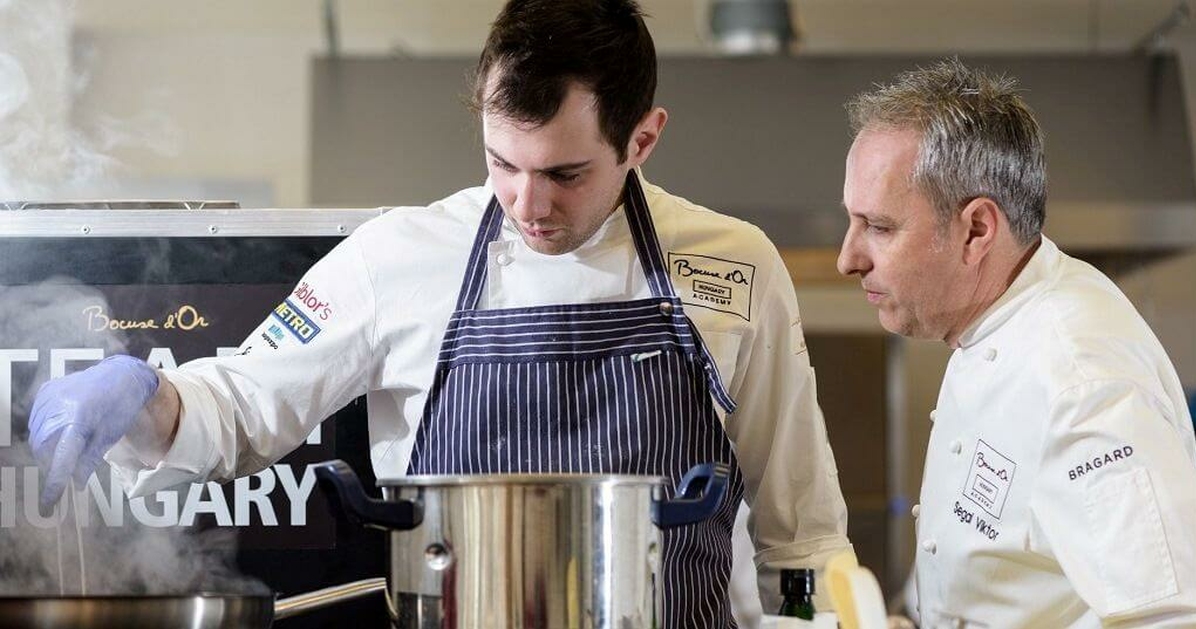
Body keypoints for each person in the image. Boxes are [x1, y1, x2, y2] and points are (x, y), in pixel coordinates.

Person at [28, 1, 853, 625]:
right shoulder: (401, 257)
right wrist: (149, 395)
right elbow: (242, 404)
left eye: (566, 173)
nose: (529, 203)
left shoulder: (736, 264)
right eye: (502, 162)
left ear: (643, 139)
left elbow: (804, 536)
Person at [837, 58, 1196, 627]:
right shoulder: (990, 323)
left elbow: (1171, 618)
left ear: (977, 230)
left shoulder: (1080, 376)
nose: (848, 259)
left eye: (879, 227)